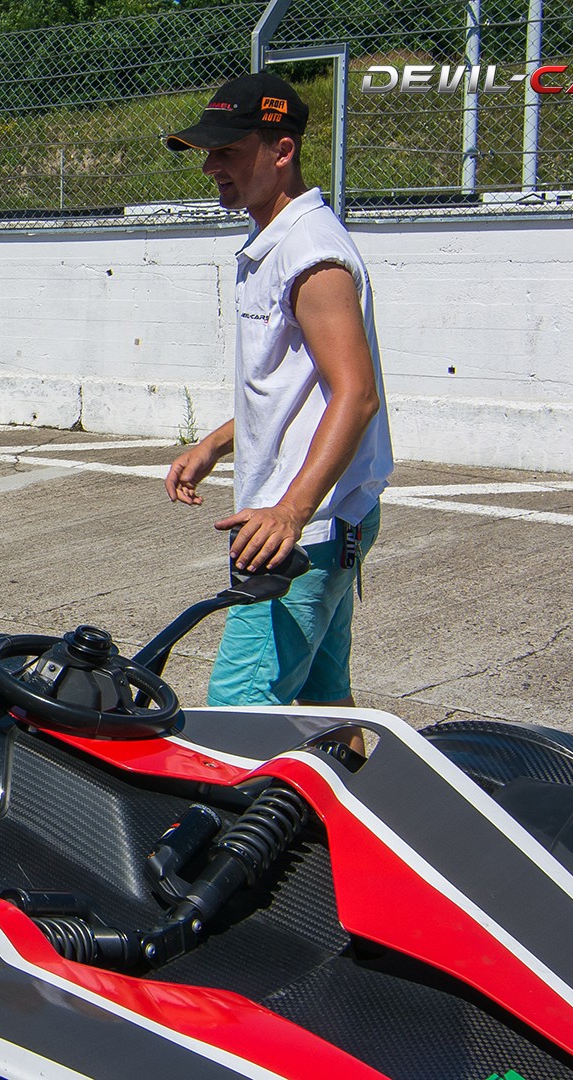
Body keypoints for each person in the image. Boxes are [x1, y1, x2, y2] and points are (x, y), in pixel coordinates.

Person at [161, 73, 394, 710]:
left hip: (303, 530)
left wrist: (291, 511)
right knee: (323, 698)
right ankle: (347, 771)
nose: (210, 167)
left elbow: (356, 394)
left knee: (237, 710)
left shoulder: (310, 254)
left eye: (227, 151)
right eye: (208, 152)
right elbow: (295, 391)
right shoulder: (274, 241)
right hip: (319, 521)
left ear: (282, 151)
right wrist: (216, 443)